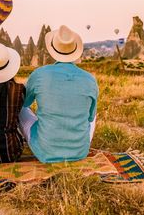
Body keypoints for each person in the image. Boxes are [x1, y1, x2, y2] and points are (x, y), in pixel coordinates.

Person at [19, 25, 98, 163]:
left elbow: (24, 102)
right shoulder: (90, 79)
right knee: (94, 115)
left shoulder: (39, 74)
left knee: (20, 108)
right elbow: (90, 118)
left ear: (52, 50)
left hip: (44, 151)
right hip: (80, 151)